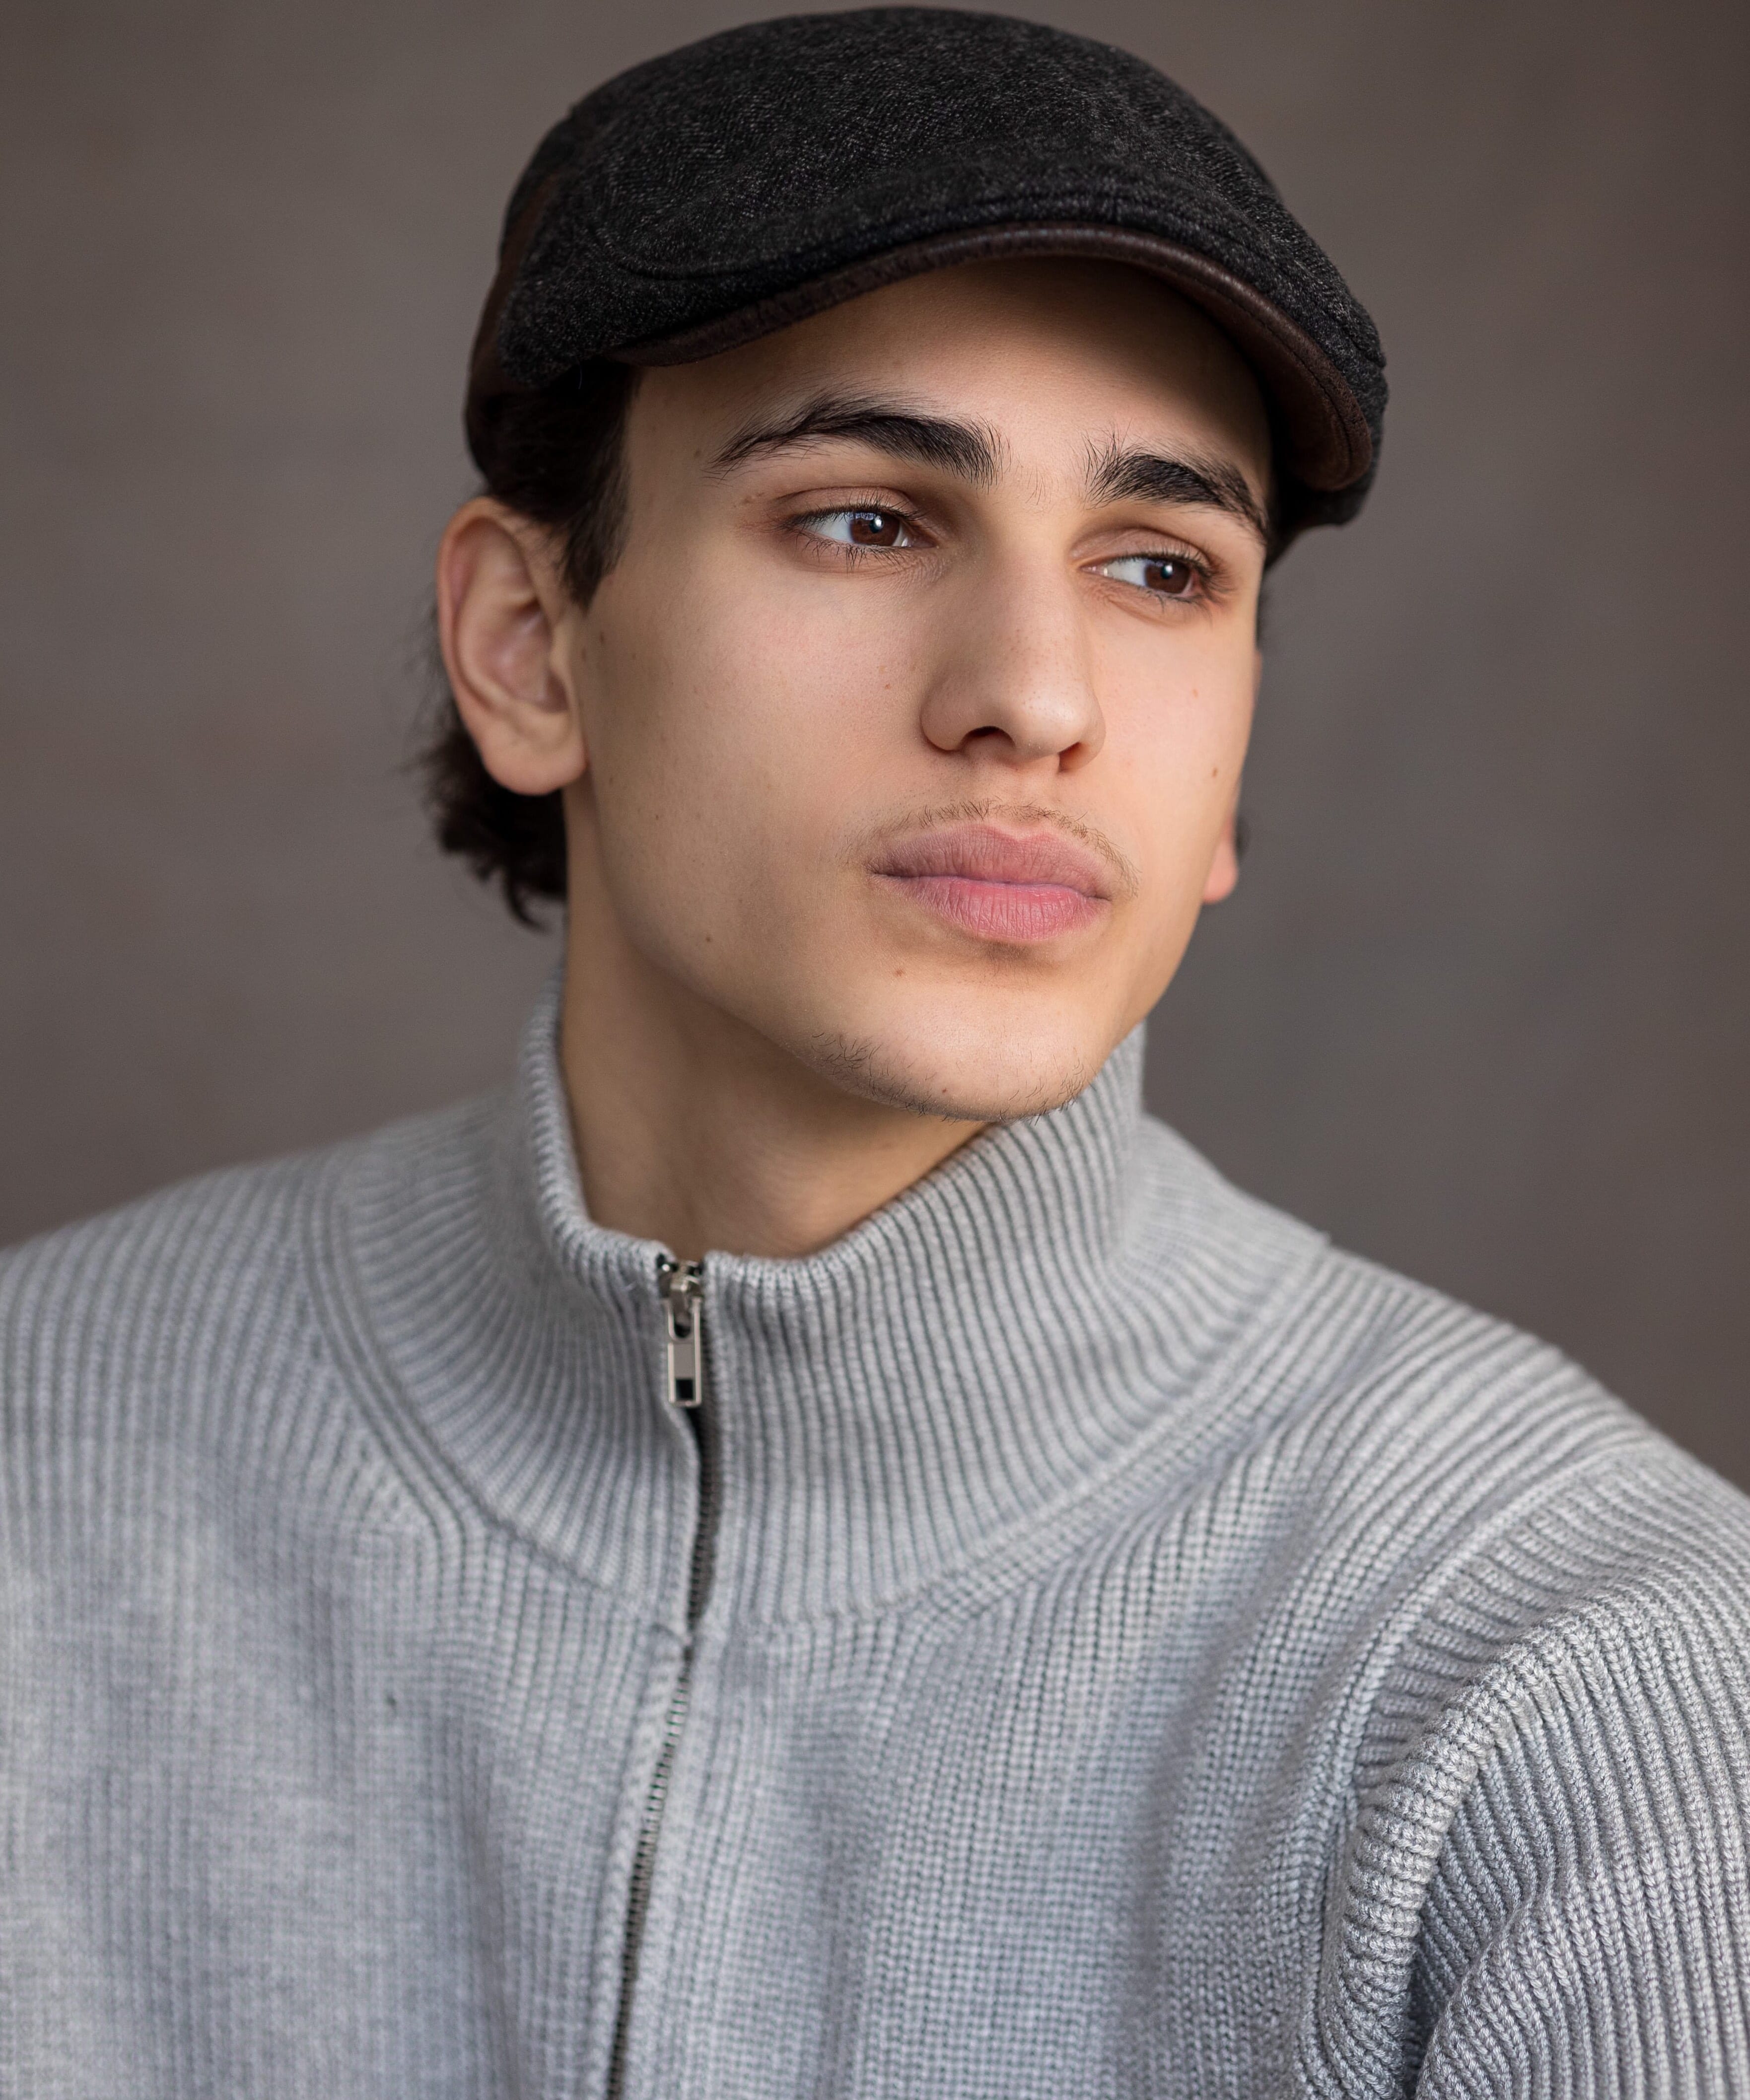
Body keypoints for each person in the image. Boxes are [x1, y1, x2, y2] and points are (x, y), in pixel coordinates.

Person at [3, 11, 1746, 2095]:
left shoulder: (1585, 1674)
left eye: (1162, 568)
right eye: (864, 521)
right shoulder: (36, 1460)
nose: (1038, 695)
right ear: (530, 649)